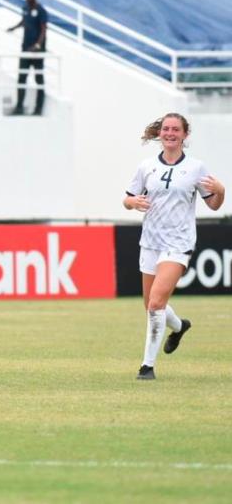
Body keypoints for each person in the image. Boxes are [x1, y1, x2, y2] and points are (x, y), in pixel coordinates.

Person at [124, 114, 225, 380]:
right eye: (166, 129)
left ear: (184, 134)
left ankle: (147, 366)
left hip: (178, 243)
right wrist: (132, 203)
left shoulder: (195, 167)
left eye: (175, 129)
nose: (170, 133)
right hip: (150, 241)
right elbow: (128, 199)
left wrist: (221, 190)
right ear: (160, 133)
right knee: (151, 306)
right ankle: (179, 327)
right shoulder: (147, 166)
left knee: (157, 303)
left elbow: (213, 204)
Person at [8, 0, 47, 115]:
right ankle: (19, 106)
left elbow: (43, 29)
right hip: (25, 48)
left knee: (39, 79)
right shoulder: (25, 8)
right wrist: (14, 27)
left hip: (36, 51)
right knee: (22, 78)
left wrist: (38, 45)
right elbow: (24, 21)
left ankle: (38, 108)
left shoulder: (41, 10)